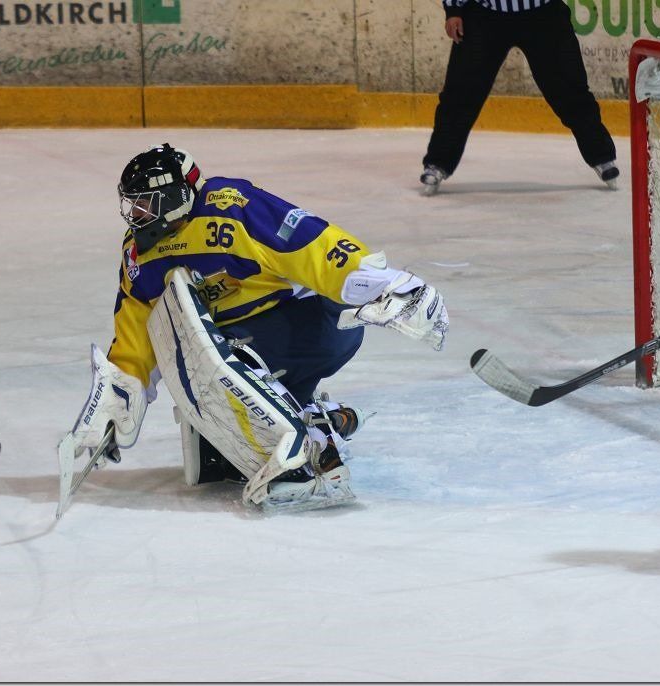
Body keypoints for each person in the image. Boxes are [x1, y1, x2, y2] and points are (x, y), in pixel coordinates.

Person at [65, 144, 449, 512]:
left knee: (212, 348)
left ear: (175, 197)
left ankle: (293, 452)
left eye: (146, 203)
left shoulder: (231, 208)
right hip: (247, 345)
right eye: (133, 203)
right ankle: (314, 422)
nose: (135, 213)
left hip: (310, 324)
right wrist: (120, 393)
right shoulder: (138, 254)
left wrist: (385, 285)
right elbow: (136, 327)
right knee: (212, 408)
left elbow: (312, 244)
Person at [420, 0, 619, 196]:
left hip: (543, 12)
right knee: (460, 93)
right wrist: (454, 9)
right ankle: (438, 162)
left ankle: (601, 156)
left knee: (570, 89)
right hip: (484, 13)